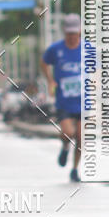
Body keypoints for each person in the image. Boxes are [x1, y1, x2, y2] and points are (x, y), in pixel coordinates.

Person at [41, 13, 82, 182]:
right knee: (68, 133)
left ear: (80, 31)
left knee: (81, 138)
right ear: (64, 32)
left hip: (83, 102)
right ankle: (65, 147)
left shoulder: (88, 49)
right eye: (69, 33)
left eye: (74, 33)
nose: (72, 36)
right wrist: (50, 81)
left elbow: (97, 70)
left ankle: (75, 169)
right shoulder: (55, 49)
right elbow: (44, 63)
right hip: (64, 101)